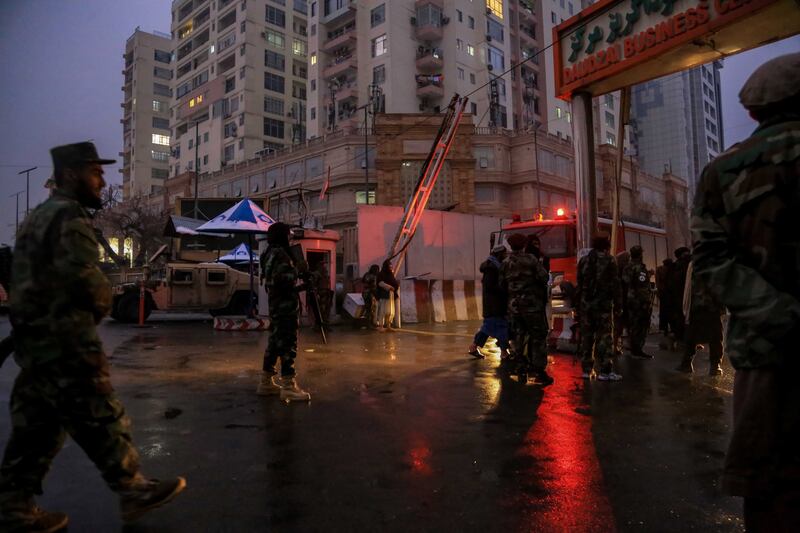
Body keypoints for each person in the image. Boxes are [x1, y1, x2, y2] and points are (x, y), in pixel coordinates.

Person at [0, 142, 185, 532]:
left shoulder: (37, 218)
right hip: (67, 343)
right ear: (70, 174)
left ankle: (14, 506)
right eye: (95, 172)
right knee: (101, 414)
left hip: (36, 344)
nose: (102, 181)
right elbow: (88, 285)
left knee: (39, 425)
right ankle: (132, 489)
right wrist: (103, 300)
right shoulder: (68, 217)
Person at [691, 53, 800, 530]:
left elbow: (711, 260)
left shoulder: (724, 171)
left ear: (753, 110)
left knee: (770, 485)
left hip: (765, 351)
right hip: (764, 348)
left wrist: (778, 314)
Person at [257, 222, 311, 401]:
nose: (291, 238)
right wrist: (299, 269)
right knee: (288, 343)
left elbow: (276, 282)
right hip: (285, 307)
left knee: (274, 343)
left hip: (277, 305)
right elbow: (282, 279)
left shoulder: (269, 253)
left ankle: (266, 381)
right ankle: (288, 385)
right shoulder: (280, 254)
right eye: (289, 234)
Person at [499, 233, 553, 385]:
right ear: (524, 245)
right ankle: (538, 372)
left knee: (518, 337)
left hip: (514, 307)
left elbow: (501, 284)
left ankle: (520, 368)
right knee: (538, 337)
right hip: (532, 306)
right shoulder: (531, 260)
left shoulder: (506, 262)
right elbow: (544, 277)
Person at [576, 233, 622, 381]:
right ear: (606, 246)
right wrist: (619, 304)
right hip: (603, 305)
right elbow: (616, 285)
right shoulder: (610, 261)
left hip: (586, 305)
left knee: (587, 336)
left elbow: (579, 283)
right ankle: (605, 370)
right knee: (605, 337)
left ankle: (586, 369)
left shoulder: (583, 261)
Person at [676, 261, 724, 375]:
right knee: (715, 337)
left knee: (692, 336)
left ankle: (686, 364)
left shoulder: (694, 263)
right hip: (709, 307)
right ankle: (714, 366)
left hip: (697, 307)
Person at [468, 245, 509, 359]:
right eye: (504, 254)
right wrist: (504, 289)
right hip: (495, 305)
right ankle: (504, 352)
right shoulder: (492, 268)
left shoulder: (493, 266)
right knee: (501, 327)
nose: (506, 256)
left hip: (493, 305)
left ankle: (473, 347)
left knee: (488, 328)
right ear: (500, 254)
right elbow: (491, 287)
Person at [622, 245, 653, 359]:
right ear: (640, 254)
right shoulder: (639, 268)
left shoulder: (627, 267)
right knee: (641, 325)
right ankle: (637, 349)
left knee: (632, 324)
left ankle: (633, 347)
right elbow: (642, 286)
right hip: (639, 301)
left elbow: (626, 282)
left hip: (630, 300)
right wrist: (646, 302)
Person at [666, 247, 691, 349]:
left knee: (680, 318)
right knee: (684, 318)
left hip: (676, 297)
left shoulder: (674, 266)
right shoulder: (684, 266)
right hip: (682, 296)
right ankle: (682, 340)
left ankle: (679, 338)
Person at [614, 250, 631, 357]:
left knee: (618, 326)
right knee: (619, 326)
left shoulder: (616, 270)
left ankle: (616, 345)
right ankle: (616, 346)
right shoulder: (624, 271)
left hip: (620, 301)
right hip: (622, 301)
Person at [375, 260, 399, 330]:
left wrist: (394, 287)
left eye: (391, 266)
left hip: (391, 295)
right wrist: (389, 287)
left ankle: (388, 325)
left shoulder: (390, 274)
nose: (391, 268)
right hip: (384, 295)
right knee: (383, 310)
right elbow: (380, 283)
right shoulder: (381, 274)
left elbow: (393, 282)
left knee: (390, 311)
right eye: (389, 266)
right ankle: (381, 326)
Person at [655, 258, 673, 335]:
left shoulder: (659, 270)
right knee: (671, 312)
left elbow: (658, 282)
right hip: (669, 293)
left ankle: (663, 328)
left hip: (663, 293)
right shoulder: (671, 270)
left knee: (663, 311)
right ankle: (672, 328)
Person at [313, 259, 333, 326]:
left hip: (326, 293)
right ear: (319, 266)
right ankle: (319, 325)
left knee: (327, 309)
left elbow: (328, 283)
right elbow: (314, 285)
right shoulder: (317, 273)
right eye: (323, 265)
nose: (324, 266)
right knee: (320, 310)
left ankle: (326, 324)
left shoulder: (326, 273)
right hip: (321, 293)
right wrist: (316, 294)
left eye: (324, 265)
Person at [361, 264, 379, 329]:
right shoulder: (373, 276)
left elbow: (363, 281)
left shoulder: (367, 274)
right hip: (369, 294)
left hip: (365, 293)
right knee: (370, 309)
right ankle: (369, 324)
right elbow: (373, 287)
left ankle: (369, 324)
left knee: (368, 309)